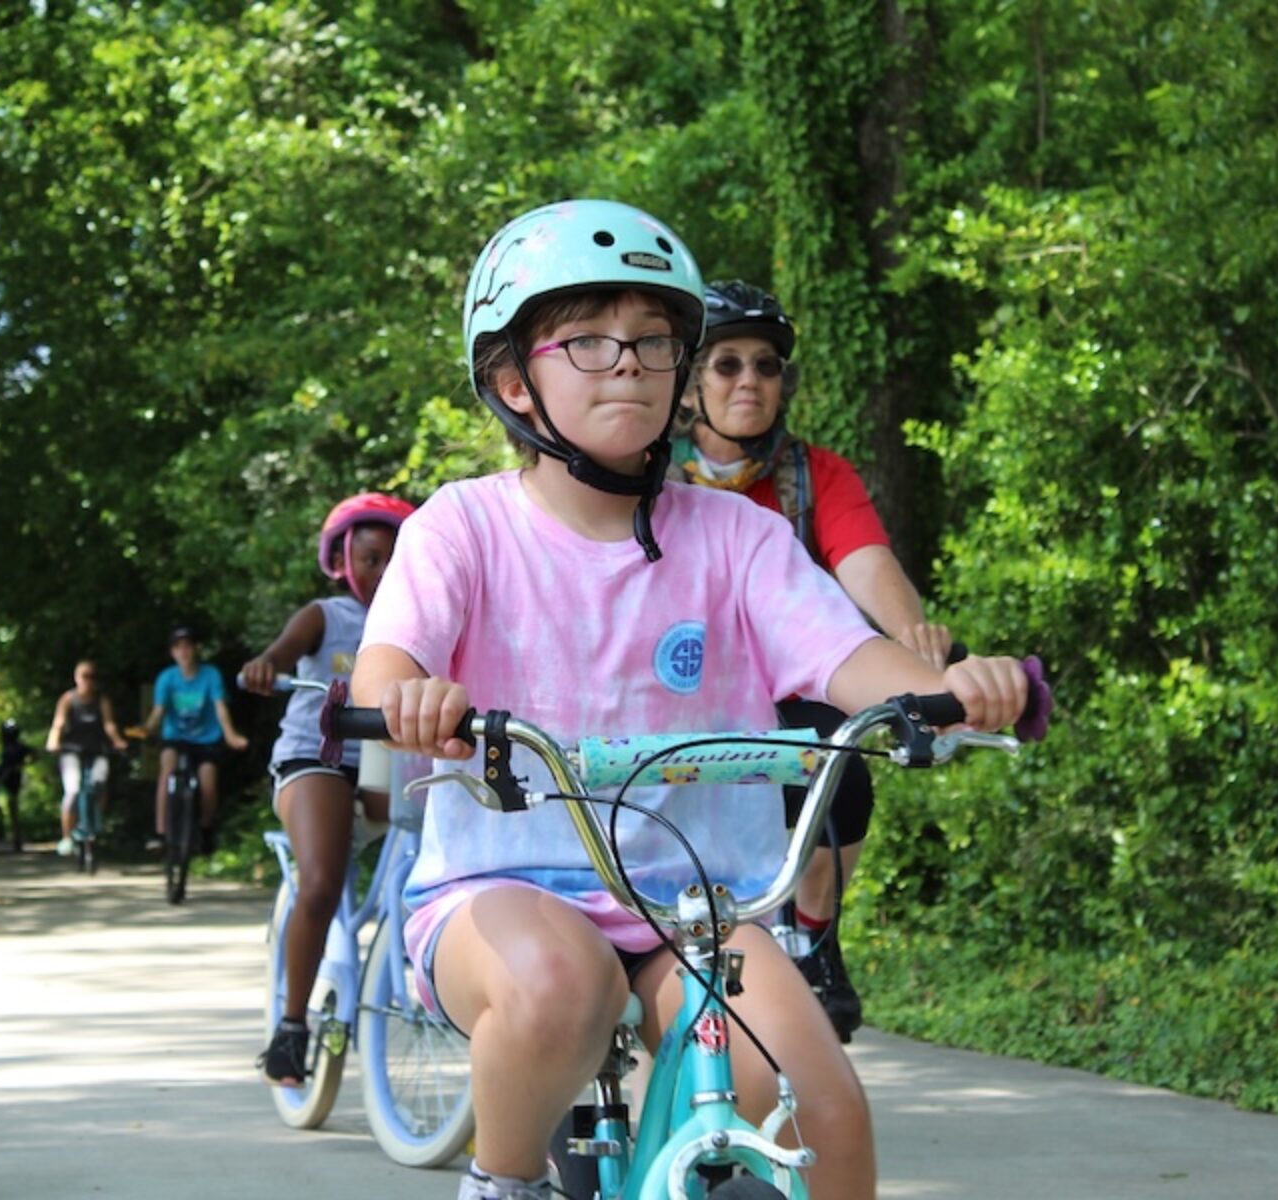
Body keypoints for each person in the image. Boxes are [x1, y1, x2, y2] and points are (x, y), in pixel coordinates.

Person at [351, 198, 1029, 1200]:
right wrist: (410, 702)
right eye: (588, 341)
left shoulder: (740, 539)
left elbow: (847, 656)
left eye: (654, 341)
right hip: (504, 888)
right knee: (561, 987)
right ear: (513, 381)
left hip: (700, 904)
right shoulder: (463, 528)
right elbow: (387, 668)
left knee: (821, 1104)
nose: (628, 362)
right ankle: (504, 1183)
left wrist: (952, 689)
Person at [670, 279, 952, 1041]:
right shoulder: (652, 477)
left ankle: (815, 934)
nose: (750, 382)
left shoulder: (812, 474)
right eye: (727, 365)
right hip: (678, 691)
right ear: (691, 387)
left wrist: (915, 643)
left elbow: (865, 561)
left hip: (785, 687)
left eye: (766, 366)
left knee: (842, 770)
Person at [240, 492, 415, 1084]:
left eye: (394, 559)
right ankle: (292, 1028)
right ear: (342, 561)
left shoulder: (420, 622)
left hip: (388, 766)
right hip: (316, 758)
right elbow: (279, 653)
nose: (383, 571)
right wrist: (265, 666)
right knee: (320, 884)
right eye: (370, 558)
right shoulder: (326, 616)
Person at [142, 628, 248, 854]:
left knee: (208, 783)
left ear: (195, 649)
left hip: (207, 739)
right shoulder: (166, 678)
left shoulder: (211, 675)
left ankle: (206, 829)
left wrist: (230, 735)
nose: (183, 651)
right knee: (166, 772)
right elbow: (158, 711)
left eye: (187, 646)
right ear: (172, 652)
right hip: (175, 737)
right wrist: (148, 729)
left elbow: (220, 707)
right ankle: (160, 832)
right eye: (178, 647)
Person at [44, 661, 128, 855]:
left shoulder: (101, 701)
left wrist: (118, 741)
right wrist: (53, 741)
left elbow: (109, 725)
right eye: (84, 676)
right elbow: (58, 723)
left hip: (97, 751)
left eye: (91, 676)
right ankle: (67, 837)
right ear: (76, 678)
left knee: (99, 781)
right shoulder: (68, 699)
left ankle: (96, 821)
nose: (88, 681)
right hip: (71, 752)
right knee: (73, 790)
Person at [0, 719, 34, 852]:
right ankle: (13, 839)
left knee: (13, 808)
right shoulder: (11, 747)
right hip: (5, 778)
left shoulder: (18, 747)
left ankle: (16, 840)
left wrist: (21, 765)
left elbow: (34, 755)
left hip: (11, 780)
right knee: (12, 809)